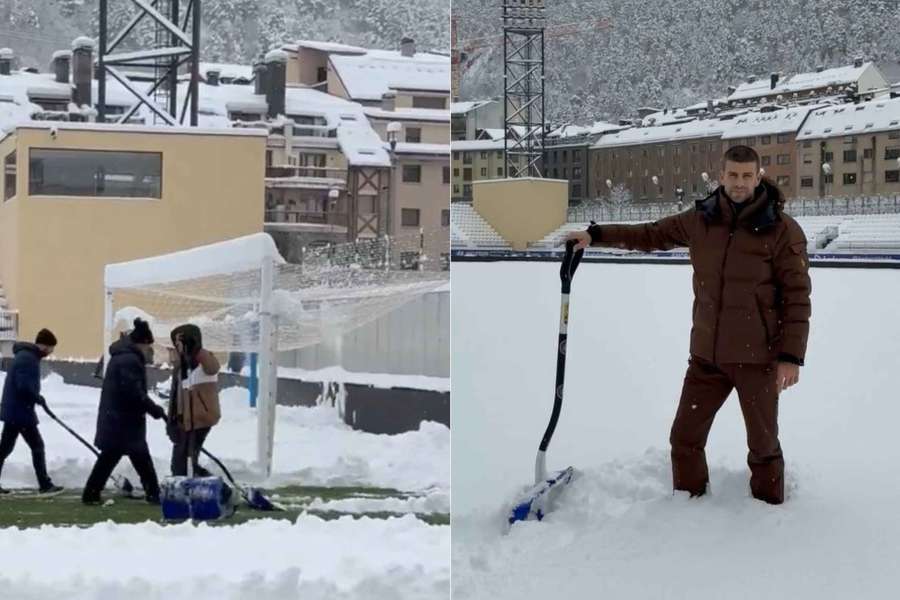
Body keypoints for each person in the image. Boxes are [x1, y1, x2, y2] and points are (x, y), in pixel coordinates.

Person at [566, 145, 811, 505]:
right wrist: (596, 234)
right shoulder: (702, 219)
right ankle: (688, 506)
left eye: (747, 175)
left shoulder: (781, 229)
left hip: (757, 359)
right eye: (733, 175)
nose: (739, 182)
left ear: (758, 177)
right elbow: (650, 234)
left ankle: (769, 512)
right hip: (707, 356)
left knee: (763, 444)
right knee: (684, 438)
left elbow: (797, 296)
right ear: (721, 176)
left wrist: (791, 355)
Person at [82, 318, 167, 504]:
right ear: (141, 343)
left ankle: (92, 493)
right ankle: (153, 493)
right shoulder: (129, 360)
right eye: (148, 346)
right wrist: (154, 409)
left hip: (118, 419)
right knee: (135, 456)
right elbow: (134, 392)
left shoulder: (123, 356)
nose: (148, 350)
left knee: (119, 456)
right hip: (124, 420)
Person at [0, 329, 63, 494]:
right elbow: (23, 386)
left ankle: (45, 483)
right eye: (50, 348)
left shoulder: (27, 357)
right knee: (37, 446)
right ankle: (45, 484)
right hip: (20, 411)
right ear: (43, 345)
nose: (51, 352)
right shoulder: (28, 359)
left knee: (5, 448)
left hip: (16, 410)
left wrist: (36, 397)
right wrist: (37, 397)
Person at [167, 324, 221, 477]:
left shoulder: (203, 361)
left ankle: (221, 491)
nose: (176, 347)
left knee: (184, 464)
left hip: (200, 421)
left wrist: (197, 350)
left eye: (179, 343)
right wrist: (172, 422)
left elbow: (213, 368)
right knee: (181, 464)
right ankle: (193, 488)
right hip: (184, 422)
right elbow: (176, 397)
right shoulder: (182, 365)